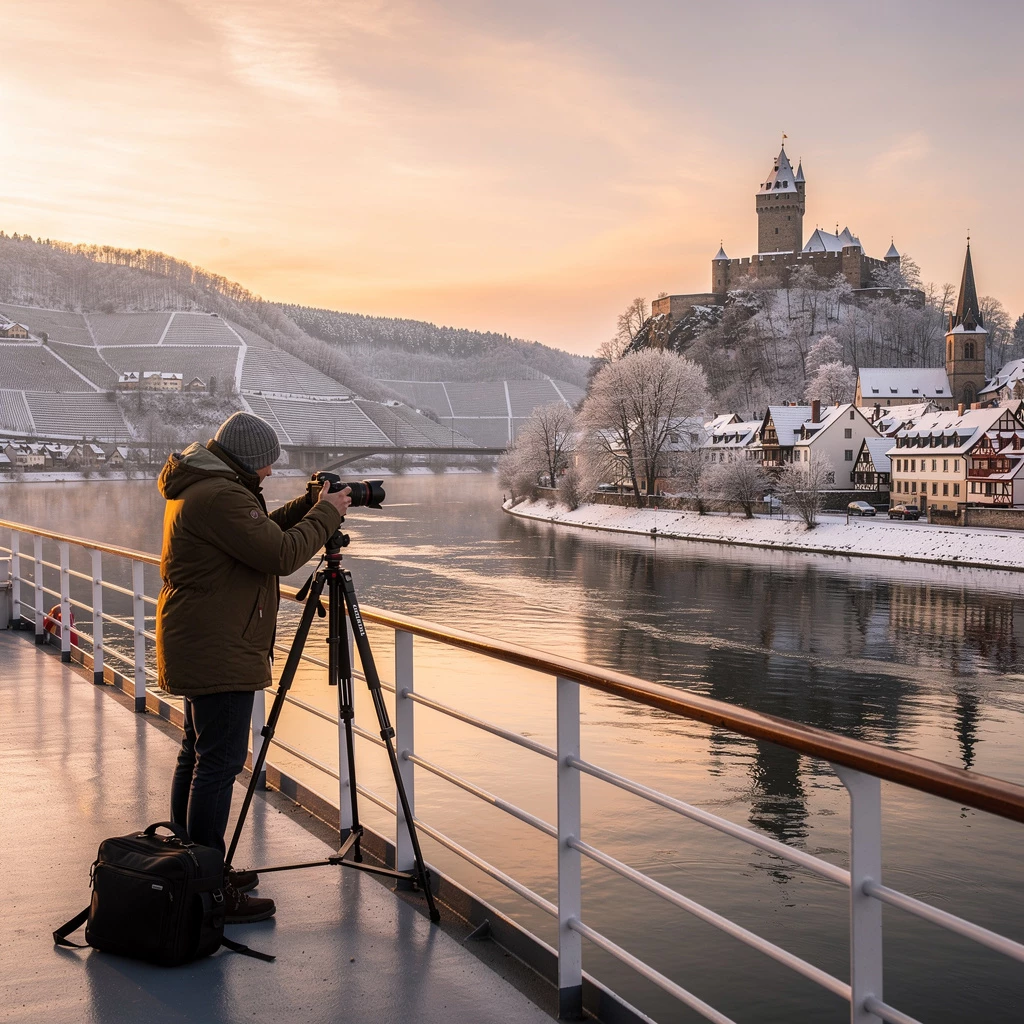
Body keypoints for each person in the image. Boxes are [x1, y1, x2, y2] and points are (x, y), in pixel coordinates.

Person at [156, 411, 351, 923]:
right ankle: (206, 887)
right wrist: (328, 513)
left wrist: (310, 504)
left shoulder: (208, 487)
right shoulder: (220, 495)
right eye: (266, 465)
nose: (269, 473)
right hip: (219, 646)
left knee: (198, 755)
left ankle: (193, 867)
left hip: (205, 640)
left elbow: (258, 534)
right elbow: (281, 554)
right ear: (246, 460)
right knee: (217, 763)